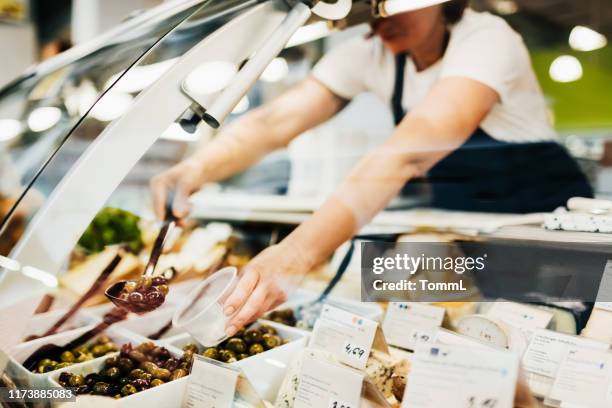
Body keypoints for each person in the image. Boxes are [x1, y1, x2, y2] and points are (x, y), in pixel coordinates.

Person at [151, 0, 593, 335]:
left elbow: (409, 153)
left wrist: (298, 253)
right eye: (369, 6)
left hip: (547, 239)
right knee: (476, 335)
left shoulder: (488, 39)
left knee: (558, 337)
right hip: (472, 238)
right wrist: (194, 170)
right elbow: (276, 121)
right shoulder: (373, 53)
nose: (379, 18)